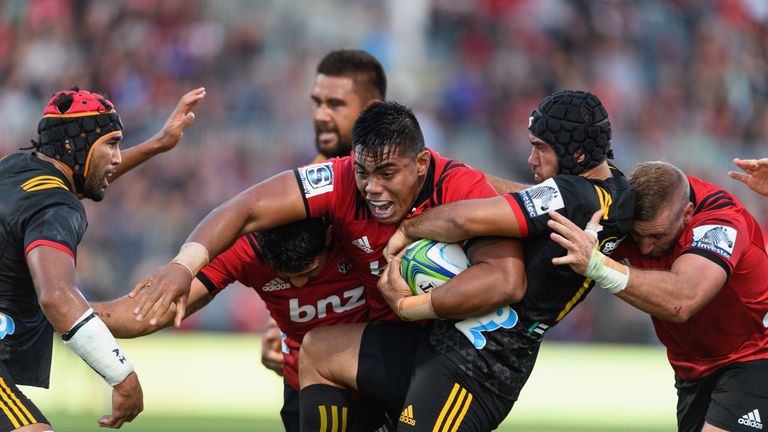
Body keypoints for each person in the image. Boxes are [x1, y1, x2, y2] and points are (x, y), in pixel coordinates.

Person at [127, 100, 525, 428]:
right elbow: (245, 207)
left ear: (421, 163)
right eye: (364, 172)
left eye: (387, 174)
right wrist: (183, 265)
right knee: (315, 351)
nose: (372, 188)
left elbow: (508, 281)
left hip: (468, 359)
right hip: (400, 348)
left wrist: (409, 306)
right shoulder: (338, 181)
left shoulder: (460, 186)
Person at [360, 90, 634, 430]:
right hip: (470, 348)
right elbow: (529, 197)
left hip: (478, 363)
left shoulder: (573, 195)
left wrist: (406, 232)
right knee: (321, 355)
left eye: (540, 147)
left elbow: (463, 220)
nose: (532, 159)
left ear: (576, 153)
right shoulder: (616, 192)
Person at [0, 86, 204, 431]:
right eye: (111, 144)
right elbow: (57, 297)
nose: (118, 157)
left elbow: (84, 179)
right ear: (70, 148)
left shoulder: (16, 167)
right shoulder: (57, 206)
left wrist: (158, 143)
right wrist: (122, 376)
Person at [93, 218, 387, 431]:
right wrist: (70, 314)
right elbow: (152, 312)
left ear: (328, 237)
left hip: (380, 385)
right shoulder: (244, 251)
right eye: (284, 275)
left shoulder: (355, 227)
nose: (297, 283)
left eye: (309, 272)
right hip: (309, 392)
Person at [547, 160, 768, 432]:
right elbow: (536, 209)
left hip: (754, 357)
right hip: (691, 370)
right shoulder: (620, 211)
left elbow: (683, 299)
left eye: (657, 236)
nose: (646, 246)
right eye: (639, 236)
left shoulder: (721, 221)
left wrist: (596, 264)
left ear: (687, 214)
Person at [260, 48, 389, 379]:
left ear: (370, 110)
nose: (320, 114)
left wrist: (540, 195)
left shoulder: (407, 177)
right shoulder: (303, 186)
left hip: (386, 359)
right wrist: (275, 323)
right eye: (317, 102)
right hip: (313, 365)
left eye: (335, 104)